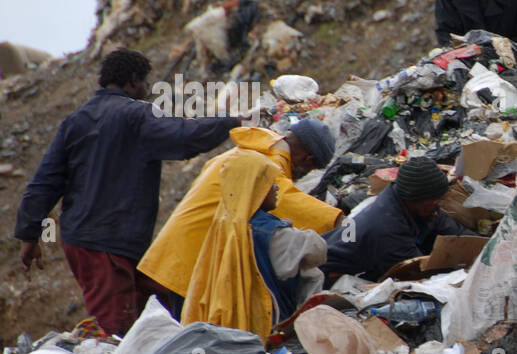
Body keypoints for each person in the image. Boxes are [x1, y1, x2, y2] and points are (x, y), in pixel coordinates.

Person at [13, 48, 241, 335]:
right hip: (107, 244)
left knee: (159, 307)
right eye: (145, 82)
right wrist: (234, 123)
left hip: (89, 240)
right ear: (133, 80)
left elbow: (45, 181)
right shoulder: (138, 115)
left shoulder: (77, 120)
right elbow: (185, 136)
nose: (147, 90)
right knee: (117, 330)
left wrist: (29, 235)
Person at [138, 118, 341, 310]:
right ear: (308, 159)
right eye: (310, 169)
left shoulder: (251, 147)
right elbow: (284, 201)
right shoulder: (266, 162)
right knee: (191, 335)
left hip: (174, 255)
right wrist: (339, 221)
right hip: (190, 264)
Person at [182, 151, 327, 339]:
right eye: (269, 183)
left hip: (227, 328)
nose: (276, 188)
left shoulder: (224, 221)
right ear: (253, 187)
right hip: (268, 328)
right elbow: (317, 250)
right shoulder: (271, 232)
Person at [323, 156, 476, 283]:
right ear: (415, 200)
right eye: (435, 201)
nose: (439, 206)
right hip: (332, 277)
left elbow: (454, 232)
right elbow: (416, 271)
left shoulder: (414, 203)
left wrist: (483, 248)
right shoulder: (387, 226)